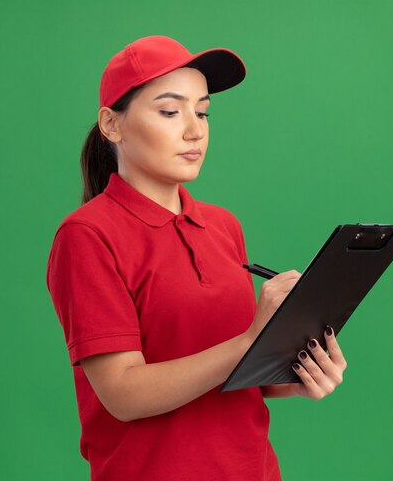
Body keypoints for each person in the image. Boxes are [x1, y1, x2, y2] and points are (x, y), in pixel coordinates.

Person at [46, 35, 347, 480]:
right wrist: (247, 342)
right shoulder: (87, 235)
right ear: (111, 124)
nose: (195, 129)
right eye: (170, 111)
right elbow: (123, 393)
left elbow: (241, 377)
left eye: (202, 111)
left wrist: (296, 372)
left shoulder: (224, 227)